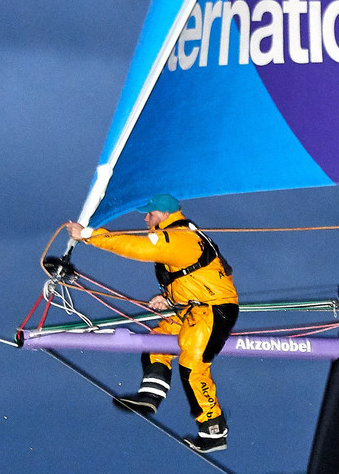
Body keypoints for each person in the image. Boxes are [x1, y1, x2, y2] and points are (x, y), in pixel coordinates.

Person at [63, 194, 238, 453]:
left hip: (213, 310)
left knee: (193, 365)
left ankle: (213, 430)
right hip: (191, 309)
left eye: (150, 213)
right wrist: (169, 298)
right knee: (157, 341)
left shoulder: (178, 238)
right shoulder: (179, 236)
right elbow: (195, 275)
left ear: (165, 214)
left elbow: (137, 248)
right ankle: (150, 397)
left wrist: (89, 235)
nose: (146, 218)